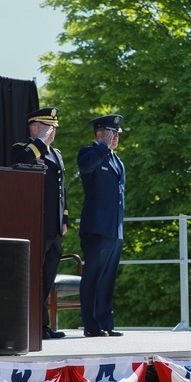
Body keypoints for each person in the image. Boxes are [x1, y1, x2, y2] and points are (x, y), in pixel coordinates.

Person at [11, 107, 69, 340]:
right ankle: (29, 324)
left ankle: (42, 325)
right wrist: (41, 142)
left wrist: (64, 218)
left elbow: (62, 189)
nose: (52, 132)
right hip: (34, 223)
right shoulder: (23, 149)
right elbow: (19, 161)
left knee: (48, 277)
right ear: (34, 128)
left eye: (53, 127)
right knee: (32, 276)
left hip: (53, 226)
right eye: (48, 127)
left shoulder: (57, 153)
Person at [77, 114, 125, 338]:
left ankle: (106, 322)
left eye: (116, 134)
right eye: (111, 133)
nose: (115, 137)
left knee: (108, 278)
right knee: (93, 276)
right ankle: (92, 325)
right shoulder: (89, 153)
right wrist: (102, 147)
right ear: (99, 134)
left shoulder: (117, 160)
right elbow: (86, 168)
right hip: (96, 228)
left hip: (114, 229)